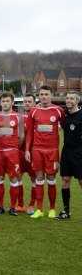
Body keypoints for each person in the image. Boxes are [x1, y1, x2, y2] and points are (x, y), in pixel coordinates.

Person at [25, 85, 64, 219]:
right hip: (37, 150)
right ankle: (39, 209)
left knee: (52, 179)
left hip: (52, 151)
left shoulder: (58, 110)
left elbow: (67, 128)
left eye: (46, 94)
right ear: (38, 96)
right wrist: (27, 150)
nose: (44, 97)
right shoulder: (33, 111)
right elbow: (29, 132)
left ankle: (52, 209)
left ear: (51, 95)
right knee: (39, 179)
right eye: (41, 94)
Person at [0, 92, 23, 216]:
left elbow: (21, 136)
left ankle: (12, 207)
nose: (5, 103)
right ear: (0, 103)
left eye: (7, 101)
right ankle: (0, 206)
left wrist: (14, 148)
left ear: (12, 102)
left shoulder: (18, 116)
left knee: (14, 178)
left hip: (12, 153)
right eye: (3, 101)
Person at [56, 92, 82, 220]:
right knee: (65, 180)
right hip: (66, 152)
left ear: (77, 101)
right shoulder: (64, 115)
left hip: (80, 153)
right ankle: (66, 211)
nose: (69, 100)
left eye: (72, 98)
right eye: (67, 98)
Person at [19, 93, 36, 214]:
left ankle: (32, 204)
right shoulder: (18, 117)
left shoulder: (37, 116)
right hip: (19, 153)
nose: (27, 103)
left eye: (29, 101)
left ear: (34, 103)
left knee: (34, 178)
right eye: (25, 101)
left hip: (33, 153)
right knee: (17, 177)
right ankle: (19, 204)